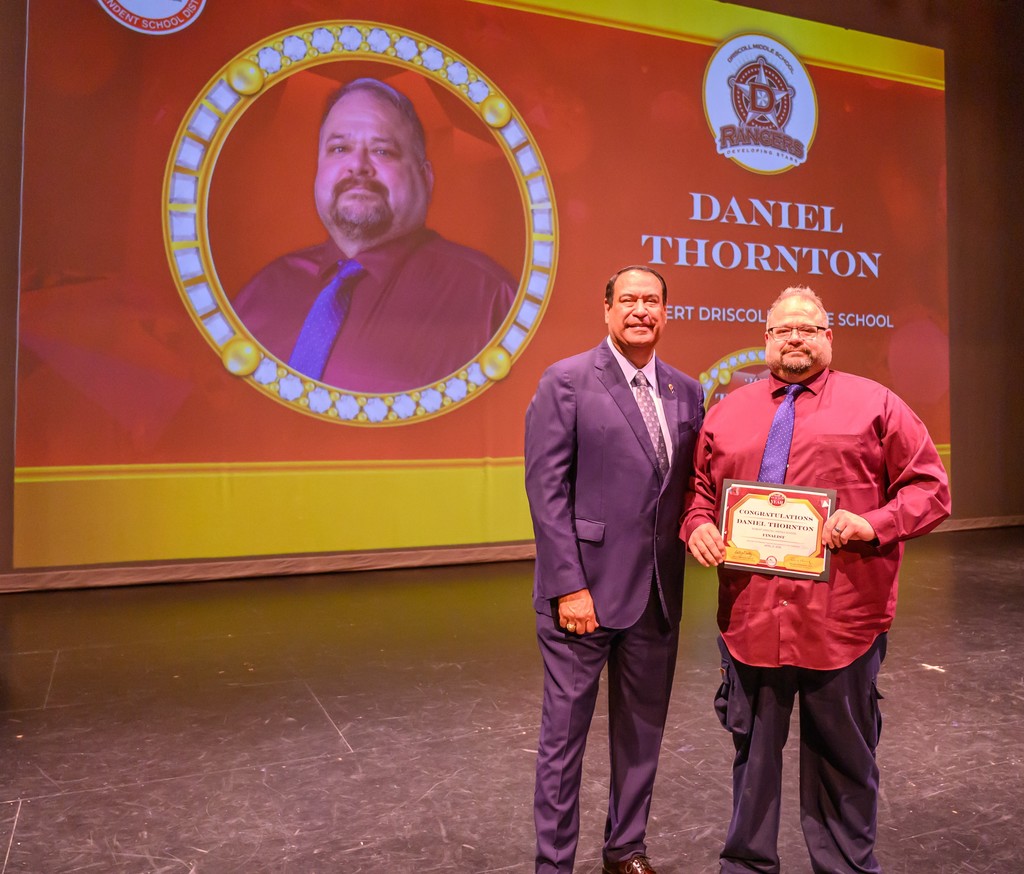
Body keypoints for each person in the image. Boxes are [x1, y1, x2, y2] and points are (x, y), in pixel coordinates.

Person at [682, 286, 951, 873]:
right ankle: (747, 866)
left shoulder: (877, 404)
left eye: (808, 328)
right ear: (767, 338)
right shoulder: (728, 412)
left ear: (829, 337)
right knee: (752, 762)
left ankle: (846, 868)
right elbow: (700, 495)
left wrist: (873, 522)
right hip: (751, 621)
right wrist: (697, 526)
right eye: (784, 330)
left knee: (843, 764)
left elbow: (931, 489)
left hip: (842, 622)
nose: (796, 338)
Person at [524, 266, 704, 874]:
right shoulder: (567, 381)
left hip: (657, 594)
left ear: (664, 312)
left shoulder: (687, 391)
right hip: (584, 598)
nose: (640, 310)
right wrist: (569, 586)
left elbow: (689, 490)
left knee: (641, 737)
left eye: (651, 300)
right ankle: (555, 862)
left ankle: (626, 849)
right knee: (563, 741)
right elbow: (546, 495)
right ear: (606, 310)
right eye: (628, 299)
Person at [233, 77, 517, 393]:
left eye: (382, 151)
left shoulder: (490, 299)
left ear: (425, 177)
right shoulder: (265, 291)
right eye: (339, 148)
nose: (357, 165)